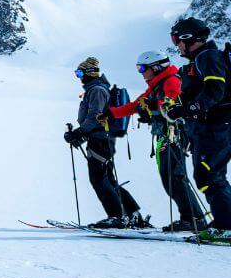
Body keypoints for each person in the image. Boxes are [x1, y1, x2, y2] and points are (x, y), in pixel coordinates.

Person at [103, 50, 205, 232]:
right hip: (166, 134)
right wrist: (112, 113)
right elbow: (136, 105)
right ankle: (192, 218)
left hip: (175, 134)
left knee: (174, 177)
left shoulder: (171, 81)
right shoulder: (157, 84)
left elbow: (173, 104)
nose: (140, 72)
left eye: (142, 68)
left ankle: (193, 219)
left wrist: (151, 107)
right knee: (171, 177)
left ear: (156, 67)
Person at [163, 17, 231, 240]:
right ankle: (225, 221)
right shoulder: (199, 61)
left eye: (176, 39)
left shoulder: (207, 56)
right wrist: (177, 107)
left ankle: (226, 225)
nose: (176, 45)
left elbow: (214, 90)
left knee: (209, 174)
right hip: (210, 126)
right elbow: (196, 93)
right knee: (211, 174)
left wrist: (189, 108)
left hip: (216, 126)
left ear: (187, 38)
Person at [64, 56, 147, 228]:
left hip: (101, 140)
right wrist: (81, 135)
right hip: (99, 139)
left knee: (99, 179)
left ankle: (116, 217)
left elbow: (95, 116)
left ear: (89, 73)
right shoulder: (95, 89)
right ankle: (132, 214)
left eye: (79, 72)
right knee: (107, 179)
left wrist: (79, 132)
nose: (78, 76)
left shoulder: (97, 91)